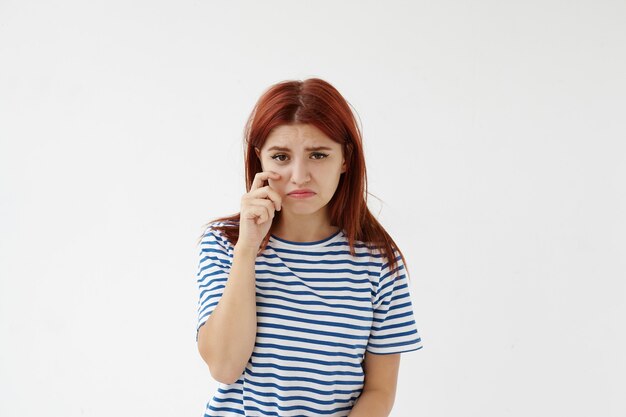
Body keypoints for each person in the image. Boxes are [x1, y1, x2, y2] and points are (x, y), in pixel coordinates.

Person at [195, 78, 423, 417]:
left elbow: (379, 390)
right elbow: (225, 367)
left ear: (345, 159)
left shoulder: (378, 262)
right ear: (260, 159)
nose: (299, 176)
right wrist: (247, 249)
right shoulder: (225, 243)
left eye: (318, 154)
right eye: (281, 156)